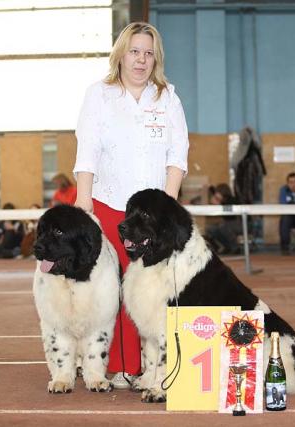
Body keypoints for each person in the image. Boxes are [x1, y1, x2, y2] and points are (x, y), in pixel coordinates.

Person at [73, 22, 189, 388]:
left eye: (148, 53)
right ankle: (124, 366)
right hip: (109, 207)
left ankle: (163, 365)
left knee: (156, 288)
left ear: (157, 58)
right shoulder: (99, 95)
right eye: (135, 51)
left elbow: (178, 154)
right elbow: (87, 151)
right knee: (117, 289)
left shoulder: (168, 97)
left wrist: (168, 208)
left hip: (155, 214)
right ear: (121, 54)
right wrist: (82, 201)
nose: (141, 60)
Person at [205, 183, 241, 255]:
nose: (216, 195)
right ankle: (227, 247)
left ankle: (236, 248)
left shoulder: (232, 199)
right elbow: (215, 193)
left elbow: (228, 209)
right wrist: (210, 187)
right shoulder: (222, 200)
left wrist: (219, 204)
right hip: (227, 223)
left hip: (238, 223)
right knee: (211, 229)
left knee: (223, 226)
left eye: (218, 192)